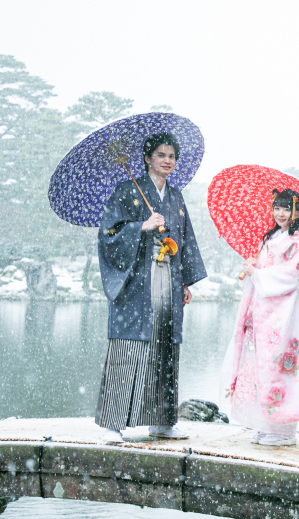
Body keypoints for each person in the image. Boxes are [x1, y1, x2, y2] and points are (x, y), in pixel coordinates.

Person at [95, 132, 207, 443]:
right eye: (161, 155)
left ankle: (161, 421)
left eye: (172, 156)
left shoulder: (176, 197)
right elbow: (107, 235)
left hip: (168, 279)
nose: (168, 161)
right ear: (147, 159)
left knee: (164, 346)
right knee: (128, 347)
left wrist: (185, 279)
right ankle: (112, 425)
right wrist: (138, 227)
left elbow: (185, 240)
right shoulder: (126, 191)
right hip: (135, 283)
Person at [220, 189, 299, 446]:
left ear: (296, 212)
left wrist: (259, 274)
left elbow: (294, 273)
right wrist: (253, 268)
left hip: (283, 312)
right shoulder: (271, 236)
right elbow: (264, 269)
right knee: (261, 365)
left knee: (281, 364)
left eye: (286, 209)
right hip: (262, 309)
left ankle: (285, 431)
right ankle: (264, 423)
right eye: (277, 208)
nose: (280, 214)